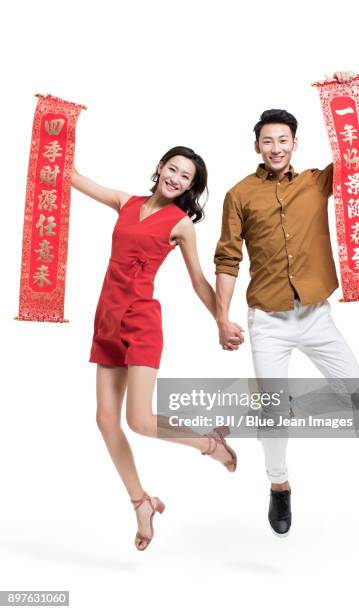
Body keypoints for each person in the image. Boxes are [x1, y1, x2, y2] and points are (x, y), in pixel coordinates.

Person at [214, 71, 359, 537]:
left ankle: (283, 403)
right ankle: (279, 486)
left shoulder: (316, 182)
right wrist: (222, 317)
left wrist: (347, 102)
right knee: (270, 414)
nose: (276, 147)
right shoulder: (240, 194)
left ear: (295, 142)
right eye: (268, 141)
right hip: (268, 320)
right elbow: (227, 256)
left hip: (317, 316)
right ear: (258, 146)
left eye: (283, 139)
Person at [72, 145, 237, 551]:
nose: (177, 179)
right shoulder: (124, 201)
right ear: (160, 167)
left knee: (140, 422)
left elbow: (198, 280)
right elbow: (70, 175)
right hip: (108, 317)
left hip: (142, 321)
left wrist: (221, 318)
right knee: (105, 421)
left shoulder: (180, 224)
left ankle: (209, 443)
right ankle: (141, 502)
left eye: (187, 178)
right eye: (174, 169)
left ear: (190, 188)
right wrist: (53, 133)